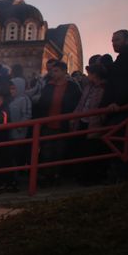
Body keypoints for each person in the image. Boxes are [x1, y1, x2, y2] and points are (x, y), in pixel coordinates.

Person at [36, 61, 82, 184]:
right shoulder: (49, 86)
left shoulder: (72, 87)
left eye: (56, 71)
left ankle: (57, 175)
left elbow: (78, 103)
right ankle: (46, 176)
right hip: (48, 124)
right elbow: (41, 104)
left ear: (64, 71)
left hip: (63, 124)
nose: (53, 73)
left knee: (60, 151)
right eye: (52, 71)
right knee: (46, 152)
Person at [71, 57, 110, 185]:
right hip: (83, 120)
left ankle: (90, 178)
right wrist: (75, 116)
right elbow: (82, 102)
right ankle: (81, 176)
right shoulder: (88, 87)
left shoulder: (104, 88)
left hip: (95, 123)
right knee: (81, 149)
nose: (88, 76)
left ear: (95, 75)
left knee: (91, 150)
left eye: (90, 74)